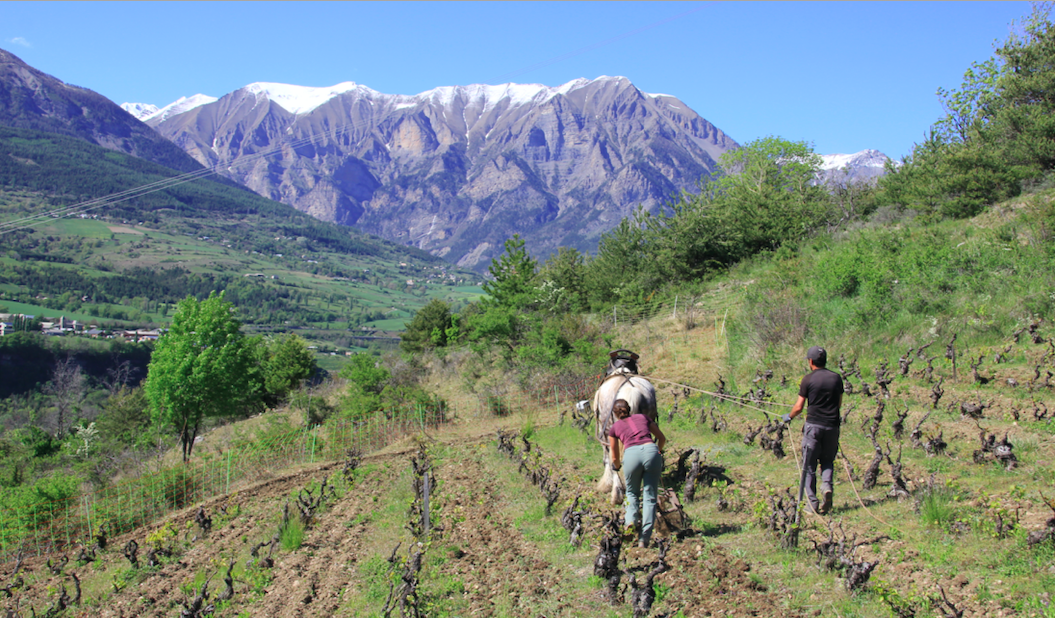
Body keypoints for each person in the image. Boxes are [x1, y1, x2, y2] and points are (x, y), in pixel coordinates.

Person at [783, 345, 844, 515]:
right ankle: (827, 486)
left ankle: (812, 504)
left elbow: (799, 407)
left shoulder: (808, 380)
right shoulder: (836, 378)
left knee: (809, 465)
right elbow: (838, 404)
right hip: (832, 426)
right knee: (827, 461)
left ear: (811, 361)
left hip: (813, 427)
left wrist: (789, 416)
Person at [609, 398, 667, 547]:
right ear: (629, 409)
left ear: (614, 414)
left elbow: (615, 456)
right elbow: (661, 438)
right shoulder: (643, 417)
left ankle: (630, 522)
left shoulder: (614, 428)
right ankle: (645, 538)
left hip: (631, 455)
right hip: (651, 451)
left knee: (632, 492)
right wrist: (658, 452)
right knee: (650, 496)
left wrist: (616, 467)